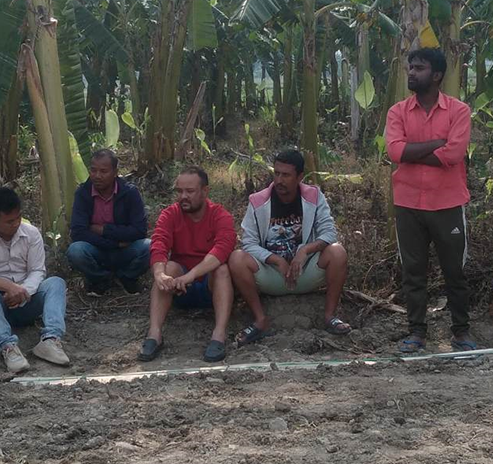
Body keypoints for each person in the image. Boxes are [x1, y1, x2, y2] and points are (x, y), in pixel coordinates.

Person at [385, 48, 475, 354]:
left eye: (419, 68)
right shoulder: (397, 111)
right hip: (408, 204)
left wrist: (415, 152)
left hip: (448, 204)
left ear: (436, 75)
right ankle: (416, 333)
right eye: (410, 67)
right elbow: (395, 152)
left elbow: (454, 154)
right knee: (413, 272)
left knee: (455, 273)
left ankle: (461, 332)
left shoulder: (458, 111)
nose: (411, 72)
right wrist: (436, 144)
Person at [228, 149, 352, 344]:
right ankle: (260, 320)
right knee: (236, 258)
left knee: (337, 252)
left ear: (300, 177)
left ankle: (329, 317)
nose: (279, 180)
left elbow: (329, 233)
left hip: (304, 272)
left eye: (286, 175)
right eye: (276, 173)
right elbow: (248, 243)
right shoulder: (258, 201)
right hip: (271, 274)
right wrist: (275, 260)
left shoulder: (314, 197)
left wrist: (305, 250)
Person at [0, 187, 71, 373]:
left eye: (18, 217)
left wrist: (21, 291)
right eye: (9, 221)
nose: (16, 224)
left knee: (56, 283)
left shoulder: (31, 234)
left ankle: (51, 340)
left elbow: (37, 270)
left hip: (25, 301)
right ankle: (7, 347)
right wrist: (9, 286)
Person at [141, 166, 237, 363]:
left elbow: (222, 250)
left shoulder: (221, 216)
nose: (183, 196)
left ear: (205, 191)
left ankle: (219, 335)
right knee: (168, 268)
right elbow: (159, 244)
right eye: (179, 191)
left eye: (190, 191)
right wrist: (160, 274)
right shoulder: (170, 214)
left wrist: (192, 274)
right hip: (179, 287)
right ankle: (154, 334)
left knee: (222, 269)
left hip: (212, 287)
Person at [65, 149, 150, 294]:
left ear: (115, 172)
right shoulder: (83, 193)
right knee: (75, 251)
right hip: (97, 250)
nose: (97, 176)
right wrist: (114, 243)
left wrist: (103, 230)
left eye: (103, 171)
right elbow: (78, 232)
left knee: (150, 247)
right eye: (93, 170)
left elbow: (140, 230)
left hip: (125, 250)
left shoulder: (129, 193)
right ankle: (101, 279)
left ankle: (127, 277)